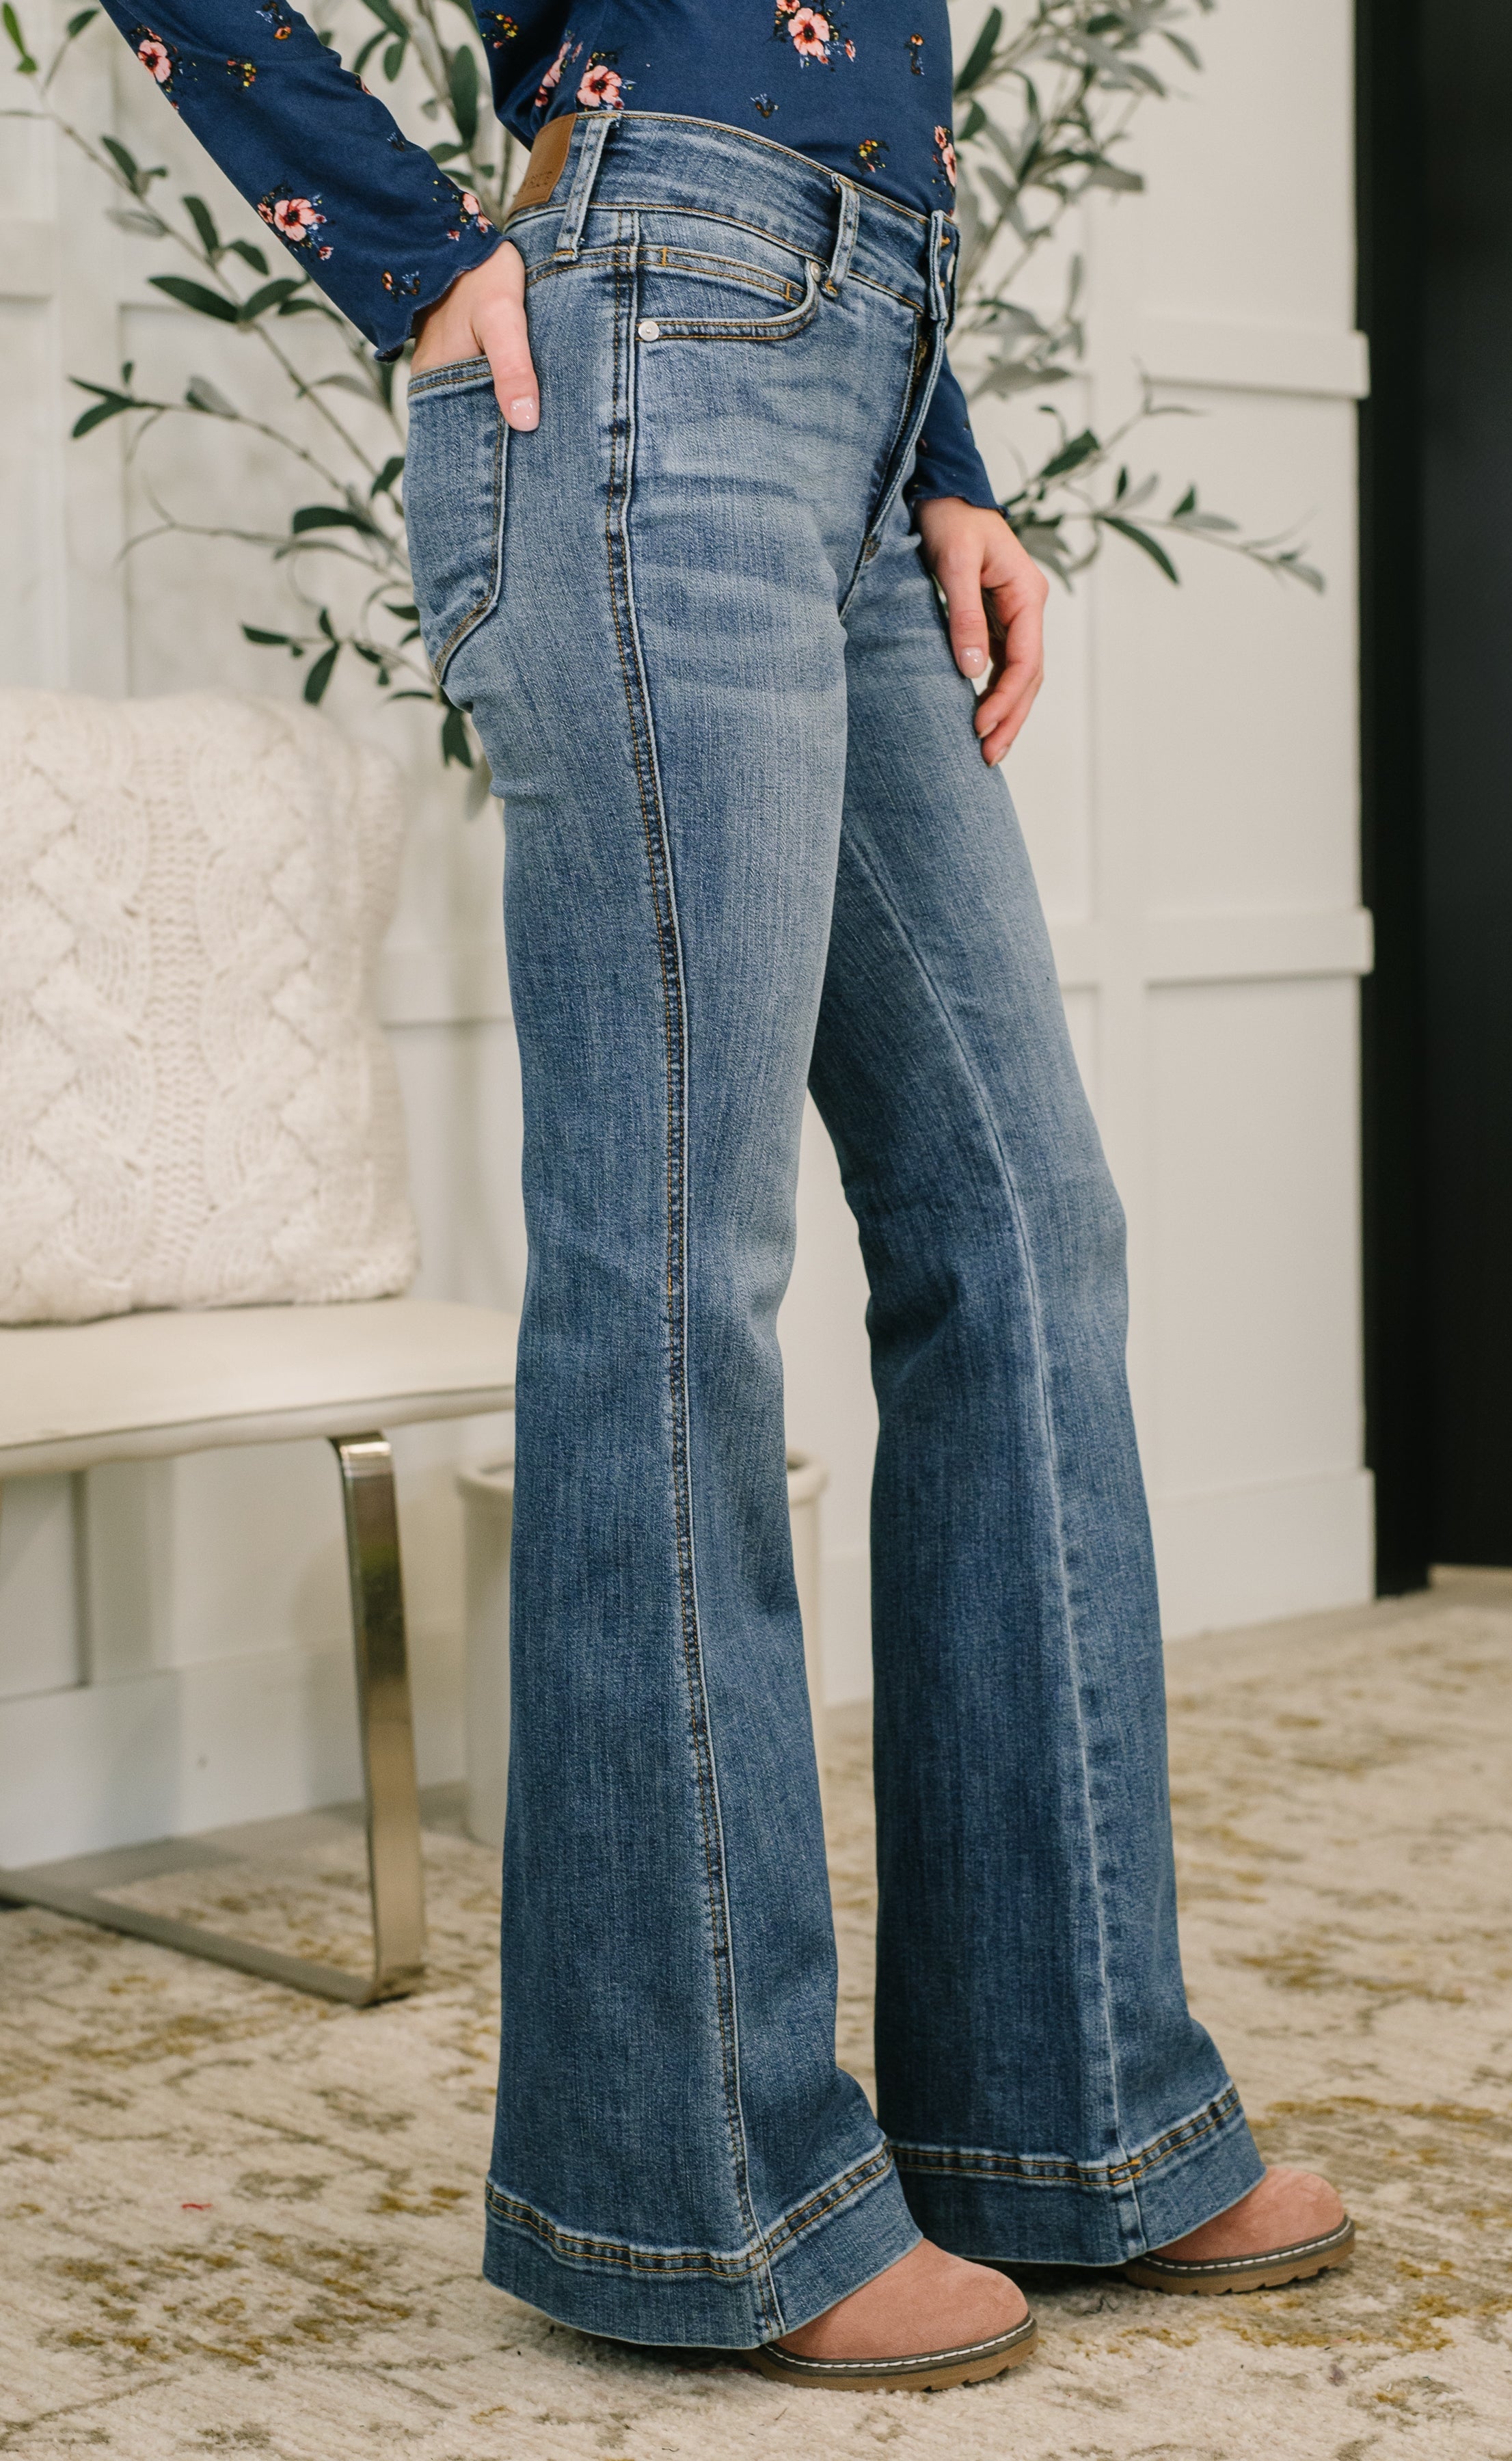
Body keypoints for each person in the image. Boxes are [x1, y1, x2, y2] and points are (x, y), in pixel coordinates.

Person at [95, 0, 1351, 2391]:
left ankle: (1069, 2118)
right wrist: (402, 259)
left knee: (1018, 1221)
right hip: (644, 355)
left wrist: (946, 453)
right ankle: (698, 2182)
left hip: (853, 385)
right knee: (673, 1269)